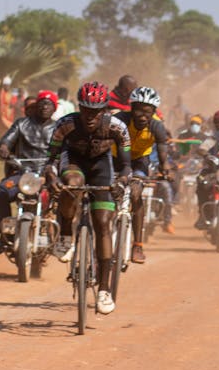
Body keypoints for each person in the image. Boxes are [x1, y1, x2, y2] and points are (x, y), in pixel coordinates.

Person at [44, 82, 132, 315]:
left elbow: (125, 167)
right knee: (71, 185)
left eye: (96, 111)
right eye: (85, 110)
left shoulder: (117, 127)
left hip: (102, 166)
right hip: (73, 162)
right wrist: (52, 177)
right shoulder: (65, 125)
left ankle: (104, 290)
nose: (90, 116)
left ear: (105, 109)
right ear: (79, 107)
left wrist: (121, 183)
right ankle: (65, 234)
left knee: (103, 223)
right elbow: (50, 161)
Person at [0, 90, 58, 255]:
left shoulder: (59, 128)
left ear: (55, 108)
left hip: (48, 176)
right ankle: (4, 235)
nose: (45, 107)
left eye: (49, 104)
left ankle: (62, 238)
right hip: (22, 175)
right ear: (36, 106)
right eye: (42, 103)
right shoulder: (21, 124)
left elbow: (66, 150)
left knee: (67, 196)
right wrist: (4, 149)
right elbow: (6, 141)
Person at [115, 86, 174, 263]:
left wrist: (166, 169)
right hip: (114, 158)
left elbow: (162, 153)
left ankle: (138, 245)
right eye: (138, 110)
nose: (142, 115)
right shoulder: (119, 120)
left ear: (154, 112)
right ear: (131, 108)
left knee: (135, 193)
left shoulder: (157, 126)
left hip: (139, 161)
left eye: (147, 112)